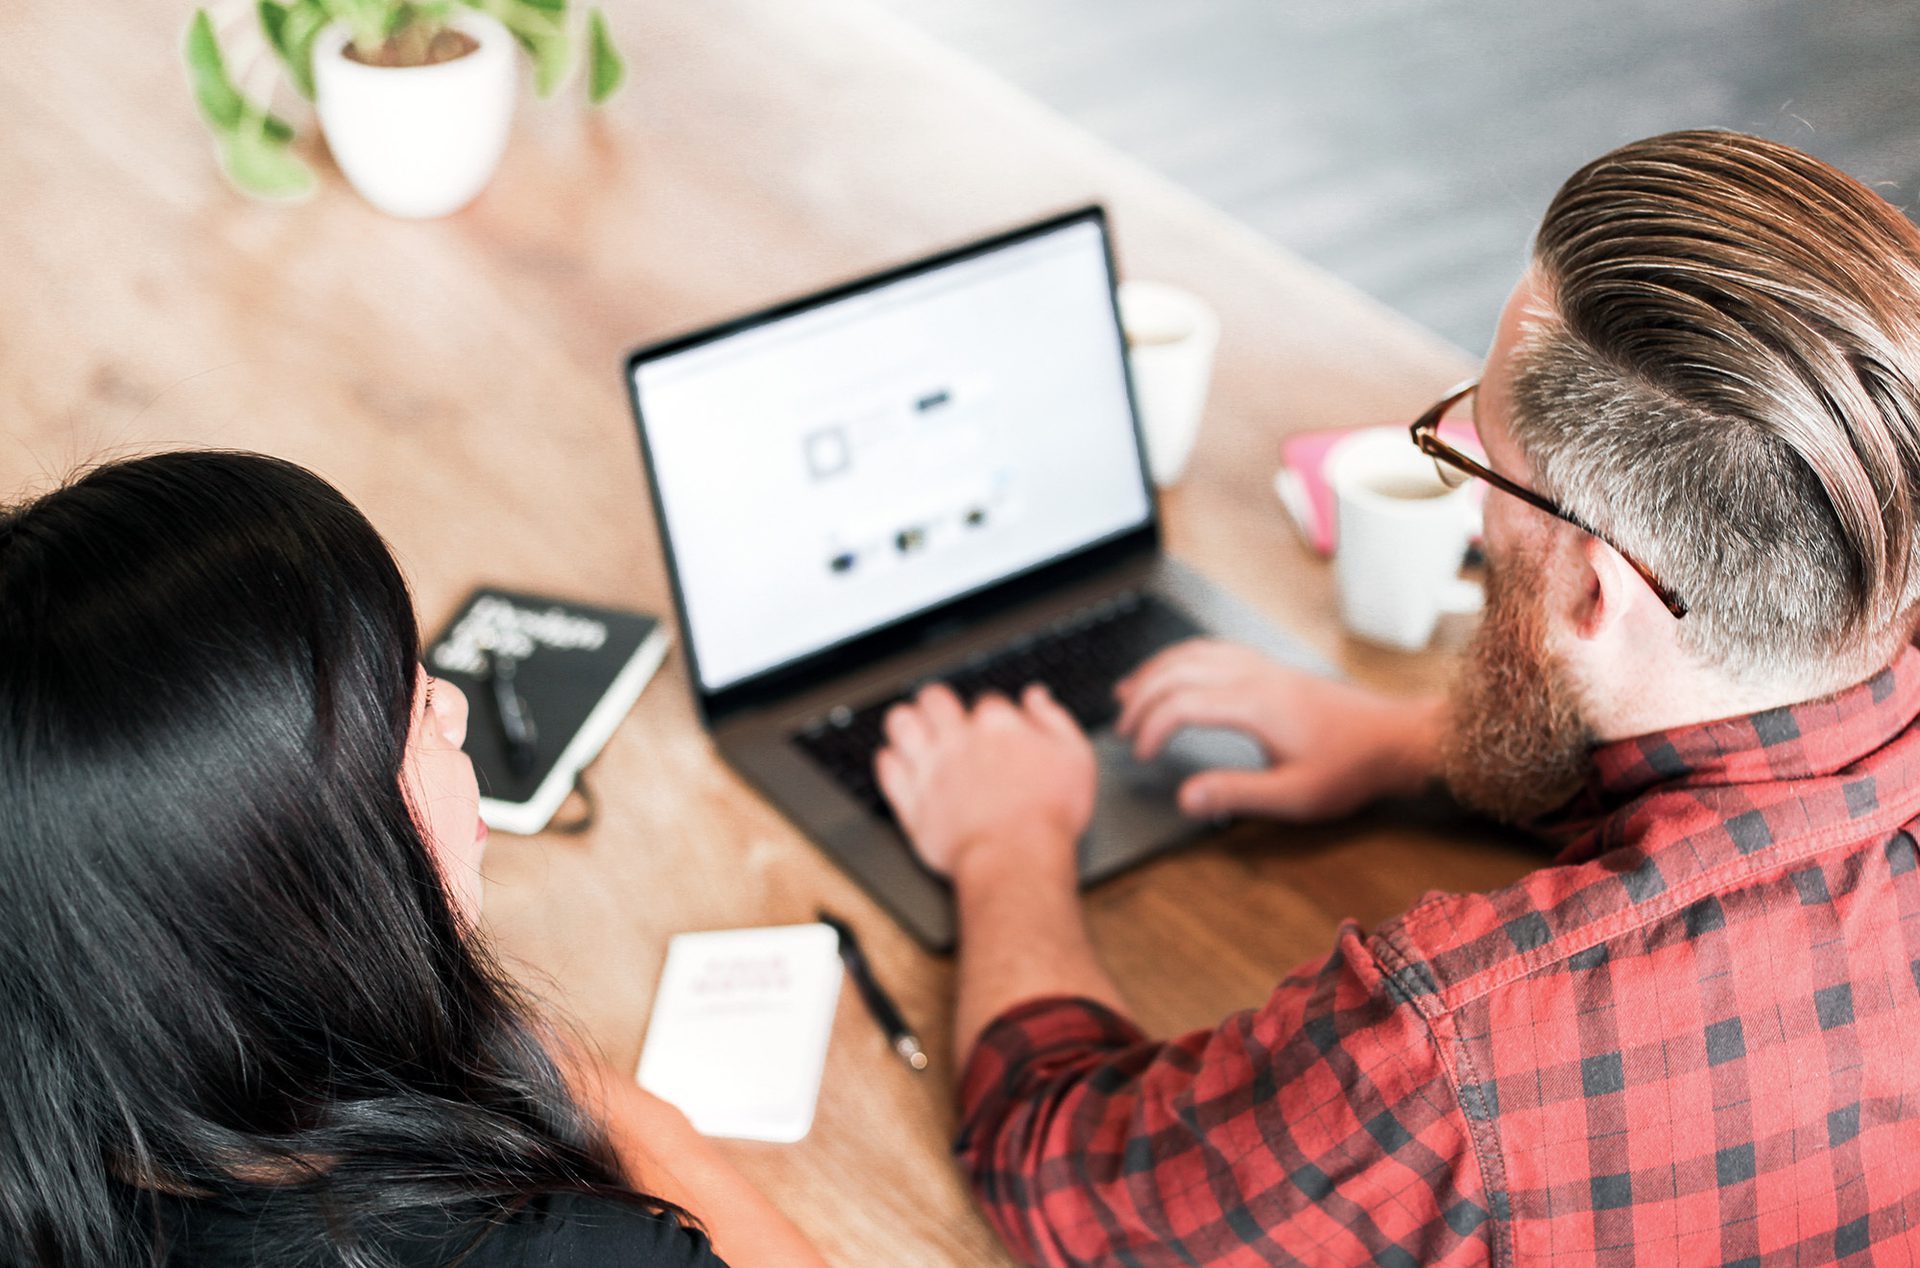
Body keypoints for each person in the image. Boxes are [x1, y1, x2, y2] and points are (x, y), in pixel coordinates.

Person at [876, 129, 1920, 1265]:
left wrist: (1008, 840)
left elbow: (1065, 1174)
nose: (1472, 507)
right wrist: (1417, 742)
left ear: (1594, 586)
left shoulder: (1459, 1054)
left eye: (1481, 461)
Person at [0, 451, 825, 1268]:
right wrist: (626, 1111)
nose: (454, 709)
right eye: (402, 707)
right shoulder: (550, 1245)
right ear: (284, 880)